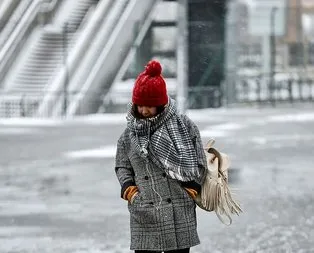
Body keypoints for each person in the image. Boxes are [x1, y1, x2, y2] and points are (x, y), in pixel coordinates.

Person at [114, 60, 208, 253]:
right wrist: (130, 190)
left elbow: (199, 159)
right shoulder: (128, 134)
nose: (143, 110)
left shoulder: (183, 126)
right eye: (139, 105)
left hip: (178, 207)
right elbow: (122, 165)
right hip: (145, 208)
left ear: (161, 104)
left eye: (149, 105)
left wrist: (192, 187)